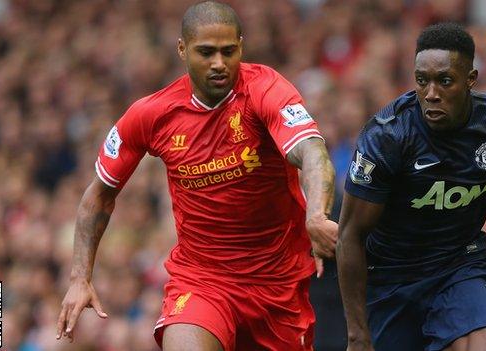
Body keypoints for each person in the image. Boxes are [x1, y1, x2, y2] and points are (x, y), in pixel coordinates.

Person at [55, 2, 338, 350]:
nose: (219, 63)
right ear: (182, 49)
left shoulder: (266, 89)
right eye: (206, 52)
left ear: (241, 47)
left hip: (277, 284)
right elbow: (98, 195)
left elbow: (311, 150)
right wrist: (79, 278)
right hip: (202, 280)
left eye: (228, 51)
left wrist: (316, 214)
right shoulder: (151, 114)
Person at [336, 23, 486, 351]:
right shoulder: (387, 137)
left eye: (444, 81)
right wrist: (357, 336)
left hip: (460, 265)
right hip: (391, 277)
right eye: (422, 80)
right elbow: (350, 236)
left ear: (470, 79)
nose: (430, 93)